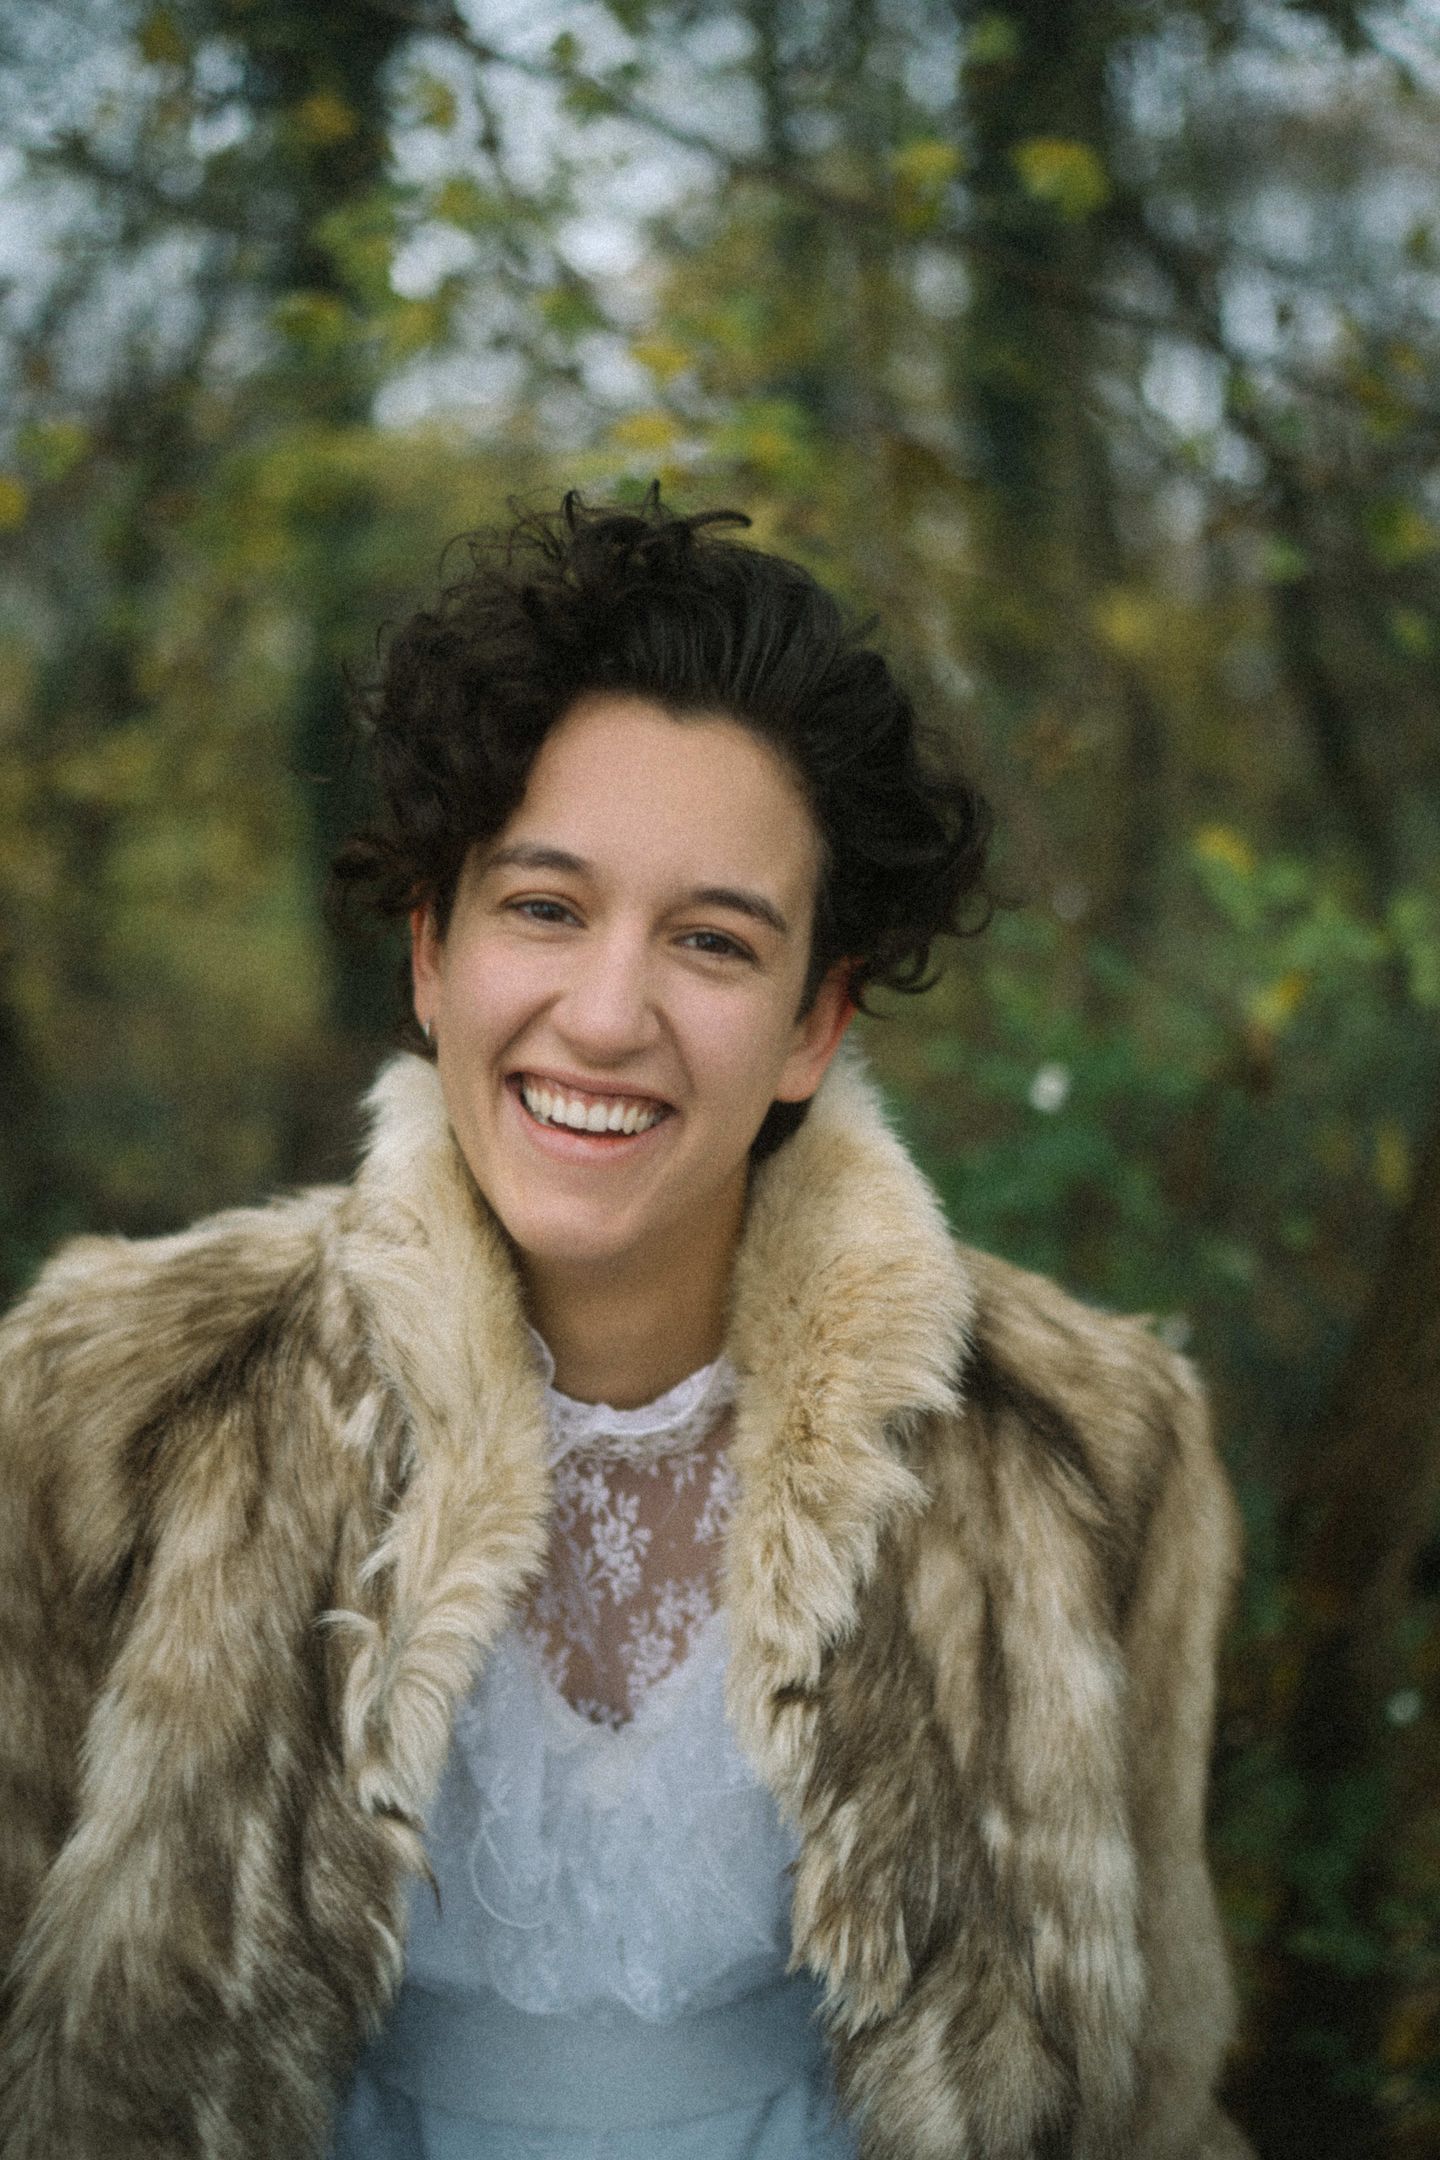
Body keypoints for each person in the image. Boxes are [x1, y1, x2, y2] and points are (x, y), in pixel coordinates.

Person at [0, 492, 1253, 2160]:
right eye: (543, 907)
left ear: (813, 1023)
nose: (604, 1017)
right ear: (432, 953)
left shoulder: (1092, 1450)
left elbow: (1148, 2097)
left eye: (713, 942)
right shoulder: (108, 1404)